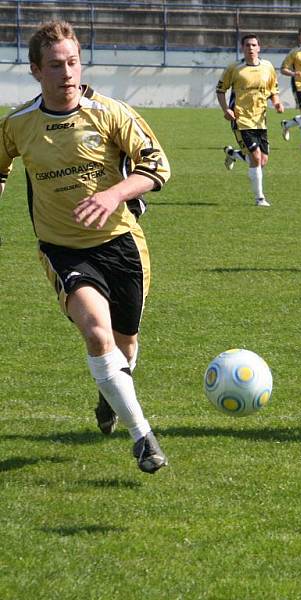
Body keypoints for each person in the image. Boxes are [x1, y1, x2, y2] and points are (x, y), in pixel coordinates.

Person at [0, 20, 170, 473]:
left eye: (73, 62)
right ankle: (143, 437)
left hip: (122, 244)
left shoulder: (112, 113)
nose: (67, 73)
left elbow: (158, 167)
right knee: (96, 331)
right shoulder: (18, 124)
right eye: (56, 65)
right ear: (36, 70)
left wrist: (114, 193)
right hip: (63, 250)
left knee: (125, 345)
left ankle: (109, 389)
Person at [216, 34, 284, 206]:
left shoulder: (267, 67)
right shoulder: (235, 68)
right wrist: (226, 110)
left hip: (261, 120)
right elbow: (220, 90)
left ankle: (233, 154)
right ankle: (259, 198)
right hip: (241, 120)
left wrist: (276, 103)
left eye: (254, 45)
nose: (251, 48)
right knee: (255, 157)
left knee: (262, 161)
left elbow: (273, 90)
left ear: (259, 48)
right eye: (247, 45)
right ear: (242, 48)